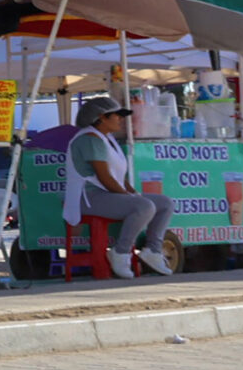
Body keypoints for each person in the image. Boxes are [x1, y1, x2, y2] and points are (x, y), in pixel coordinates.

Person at [64, 96, 170, 278]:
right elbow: (104, 178)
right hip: (87, 198)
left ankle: (153, 251)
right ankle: (120, 253)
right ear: (101, 117)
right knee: (144, 206)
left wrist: (133, 192)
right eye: (117, 115)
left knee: (164, 203)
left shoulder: (107, 139)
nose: (121, 119)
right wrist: (132, 198)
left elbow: (119, 178)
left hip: (106, 196)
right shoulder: (90, 139)